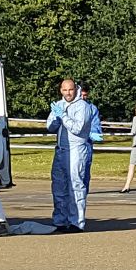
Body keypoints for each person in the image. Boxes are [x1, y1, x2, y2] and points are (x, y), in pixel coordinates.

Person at [47, 78, 94, 232]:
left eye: (70, 90)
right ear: (61, 90)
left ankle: (76, 222)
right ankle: (60, 220)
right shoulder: (59, 105)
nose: (68, 93)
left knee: (76, 185)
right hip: (60, 149)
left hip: (76, 149)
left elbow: (78, 128)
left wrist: (63, 117)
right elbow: (50, 126)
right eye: (64, 90)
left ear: (76, 89)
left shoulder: (83, 106)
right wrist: (55, 117)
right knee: (58, 186)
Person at [78, 83, 103, 194]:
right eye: (81, 96)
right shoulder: (69, 107)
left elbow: (95, 125)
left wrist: (95, 133)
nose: (83, 98)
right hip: (72, 145)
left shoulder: (92, 108)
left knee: (85, 171)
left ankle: (83, 194)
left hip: (86, 145)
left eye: (85, 96)